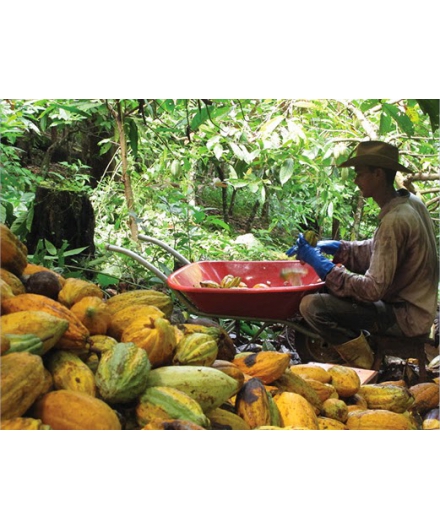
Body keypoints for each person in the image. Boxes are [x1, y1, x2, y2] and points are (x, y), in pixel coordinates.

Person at [286, 140, 439, 369]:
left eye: (359, 173)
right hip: (417, 309)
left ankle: (362, 359)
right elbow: (380, 250)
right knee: (330, 290)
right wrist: (338, 248)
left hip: (405, 316)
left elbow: (371, 289)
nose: (356, 180)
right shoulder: (410, 203)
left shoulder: (395, 220)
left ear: (378, 174)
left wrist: (326, 268)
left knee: (311, 305)